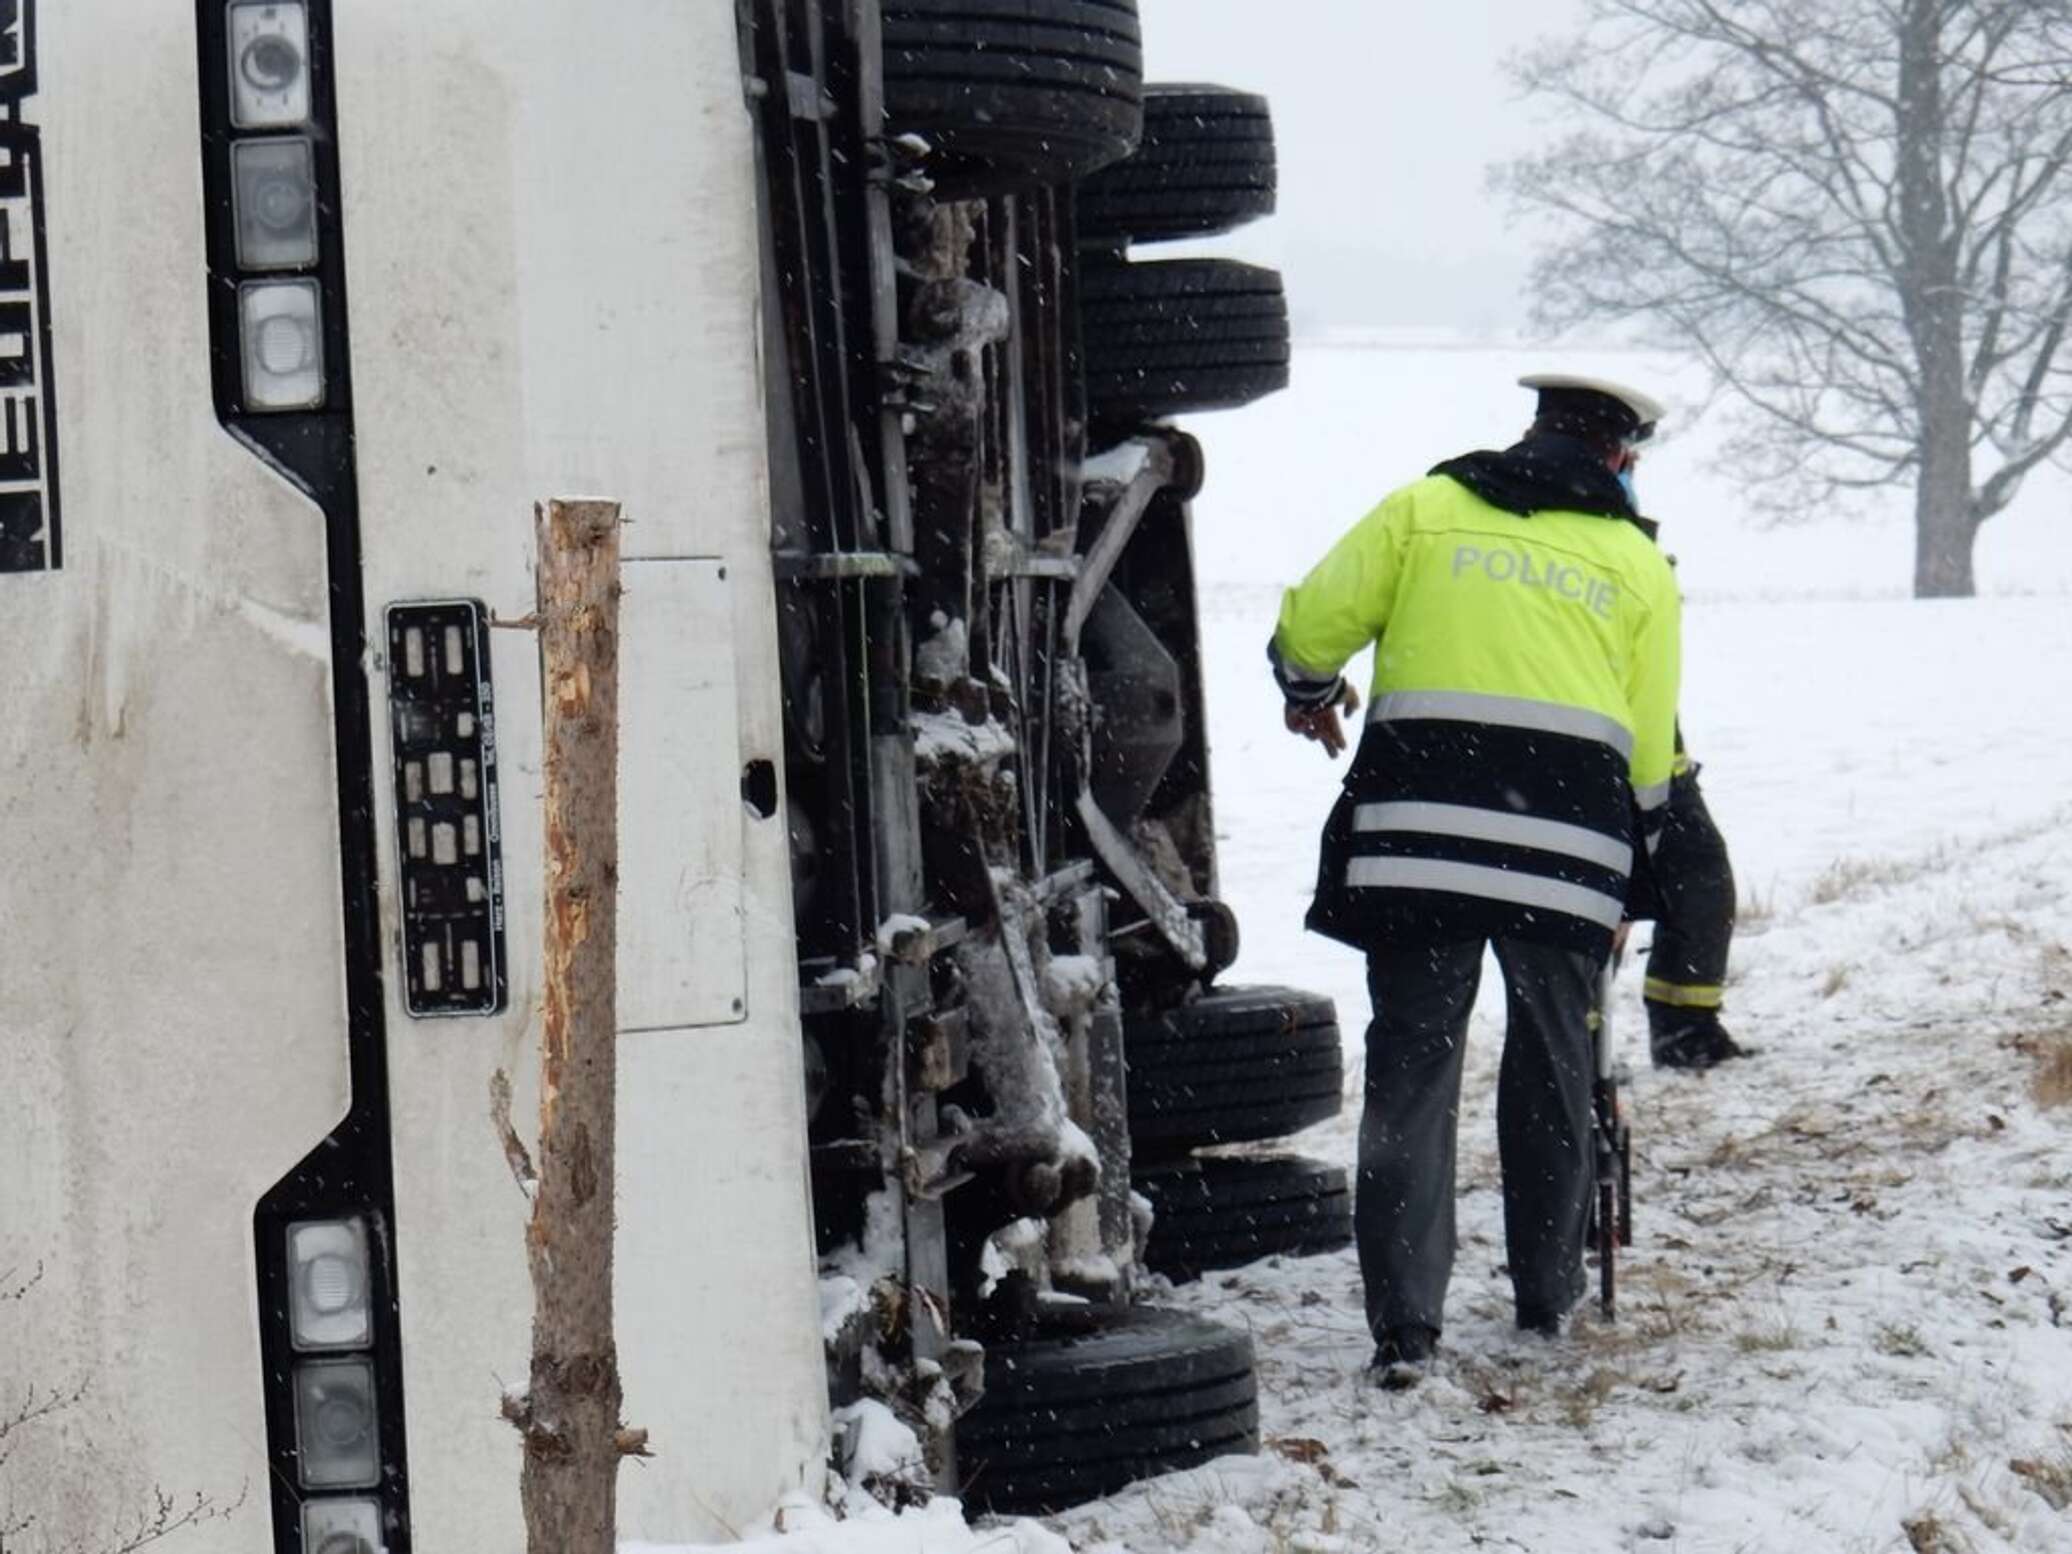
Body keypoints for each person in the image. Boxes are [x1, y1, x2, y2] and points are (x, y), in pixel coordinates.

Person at [1267, 373, 1681, 1385]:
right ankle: (1546, 1298)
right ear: (1618, 458)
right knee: (1553, 1068)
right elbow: (1647, 752)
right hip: (1568, 852)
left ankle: (1405, 1328)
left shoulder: (1423, 508)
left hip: (1415, 844)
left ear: (1532, 429)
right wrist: (1642, 870)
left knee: (1410, 1075)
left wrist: (1308, 690)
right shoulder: (1636, 564)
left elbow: (1310, 629)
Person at [1641, 726, 1750, 1069]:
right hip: (1607, 749)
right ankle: (1571, 1051)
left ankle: (1684, 1030)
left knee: (1701, 880)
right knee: (1594, 908)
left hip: (1655, 761)